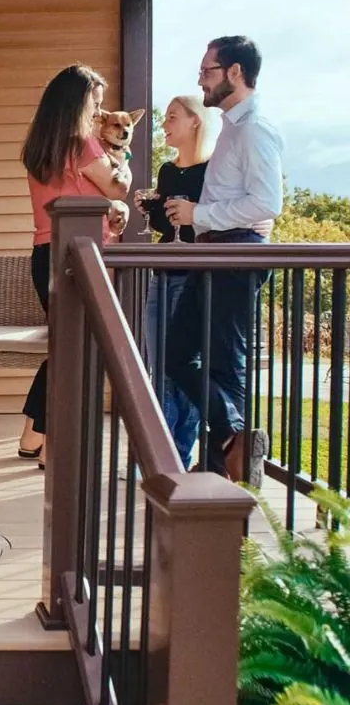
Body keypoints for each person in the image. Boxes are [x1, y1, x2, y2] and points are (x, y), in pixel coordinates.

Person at [164, 36, 282, 484]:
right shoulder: (234, 126)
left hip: (235, 253)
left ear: (235, 73)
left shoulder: (255, 128)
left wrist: (200, 214)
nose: (200, 80)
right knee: (179, 355)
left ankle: (225, 467)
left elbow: (267, 203)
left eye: (207, 71)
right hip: (213, 251)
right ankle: (228, 447)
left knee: (224, 365)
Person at [18, 65, 132, 469]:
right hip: (82, 254)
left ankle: (33, 436)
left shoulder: (38, 145)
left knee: (65, 346)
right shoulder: (83, 144)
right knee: (78, 351)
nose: (98, 112)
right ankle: (56, 450)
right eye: (95, 103)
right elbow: (118, 187)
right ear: (77, 102)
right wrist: (125, 173)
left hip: (45, 252)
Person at [135, 95, 215, 468]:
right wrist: (151, 211)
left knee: (183, 367)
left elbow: (211, 224)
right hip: (162, 274)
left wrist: (191, 215)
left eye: (171, 117)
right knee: (159, 368)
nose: (164, 125)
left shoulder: (213, 170)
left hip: (195, 280)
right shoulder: (167, 171)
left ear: (195, 121)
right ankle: (165, 459)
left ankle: (170, 459)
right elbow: (167, 228)